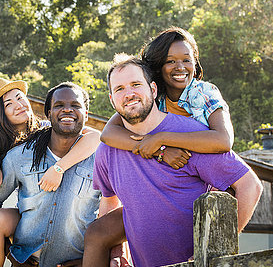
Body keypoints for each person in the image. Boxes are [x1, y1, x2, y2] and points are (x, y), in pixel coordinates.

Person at [81, 57, 263, 267]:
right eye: (119, 89)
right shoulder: (108, 150)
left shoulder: (189, 135)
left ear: (153, 90)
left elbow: (250, 186)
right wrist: (116, 251)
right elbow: (110, 200)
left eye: (135, 84)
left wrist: (216, 251)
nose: (129, 93)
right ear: (112, 100)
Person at [0, 77, 100, 267]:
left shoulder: (49, 128)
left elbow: (95, 137)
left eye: (19, 97)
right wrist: (13, 253)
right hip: (26, 221)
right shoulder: (6, 149)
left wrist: (58, 168)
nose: (18, 105)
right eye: (8, 104)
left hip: (60, 239)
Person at [100, 27, 233, 168]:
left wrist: (161, 138)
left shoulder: (204, 92)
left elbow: (224, 141)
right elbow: (108, 133)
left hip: (212, 169)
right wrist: (159, 150)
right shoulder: (153, 95)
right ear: (158, 66)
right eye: (171, 61)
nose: (180, 67)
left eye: (187, 60)